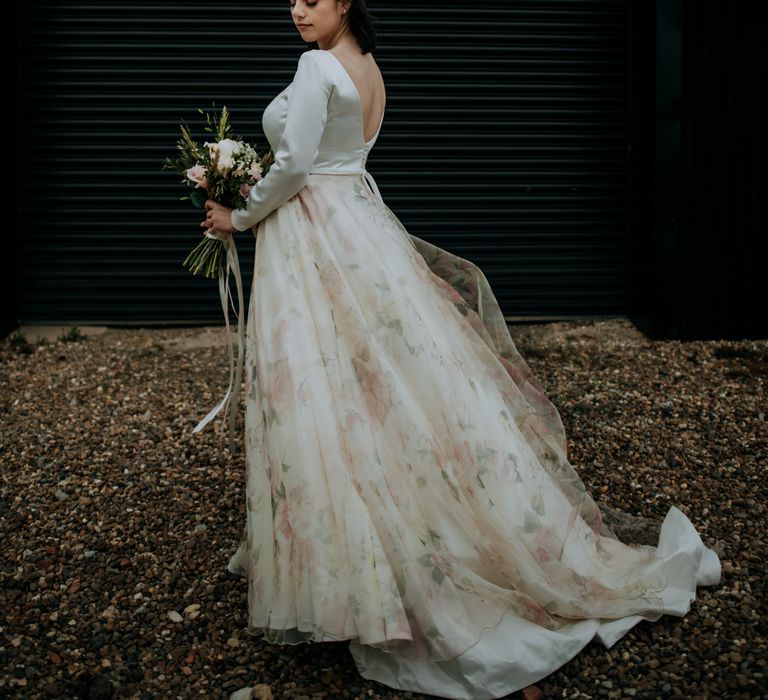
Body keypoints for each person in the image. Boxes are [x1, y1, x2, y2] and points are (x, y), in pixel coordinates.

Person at [201, 2, 721, 698]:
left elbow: (295, 165)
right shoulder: (368, 68)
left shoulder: (318, 62)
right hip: (359, 227)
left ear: (346, 1)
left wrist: (236, 212)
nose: (298, 8)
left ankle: (354, 571)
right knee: (386, 381)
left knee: (325, 388)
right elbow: (330, 156)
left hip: (315, 239)